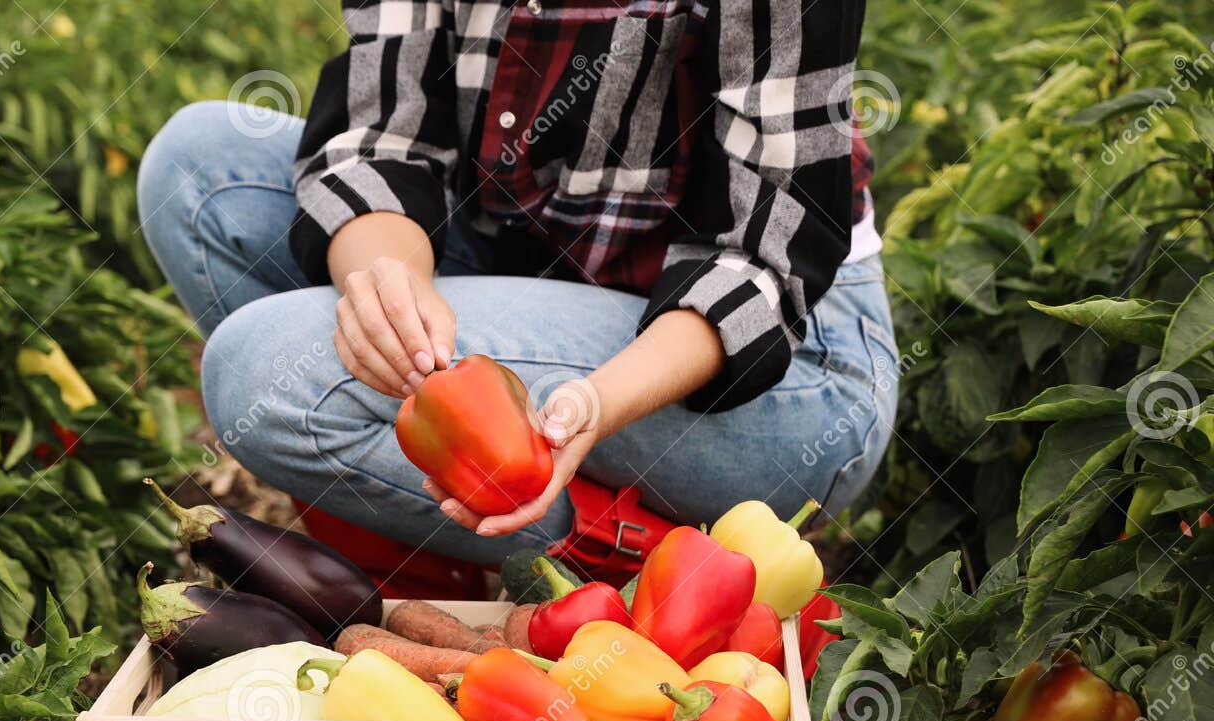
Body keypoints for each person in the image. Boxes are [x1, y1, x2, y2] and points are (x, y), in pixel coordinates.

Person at [138, 0, 896, 567]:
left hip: (778, 361)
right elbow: (383, 138)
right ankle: (435, 561)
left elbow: (763, 263)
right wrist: (389, 285)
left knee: (264, 372)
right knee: (196, 169)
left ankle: (631, 562)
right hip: (544, 262)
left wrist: (595, 403)